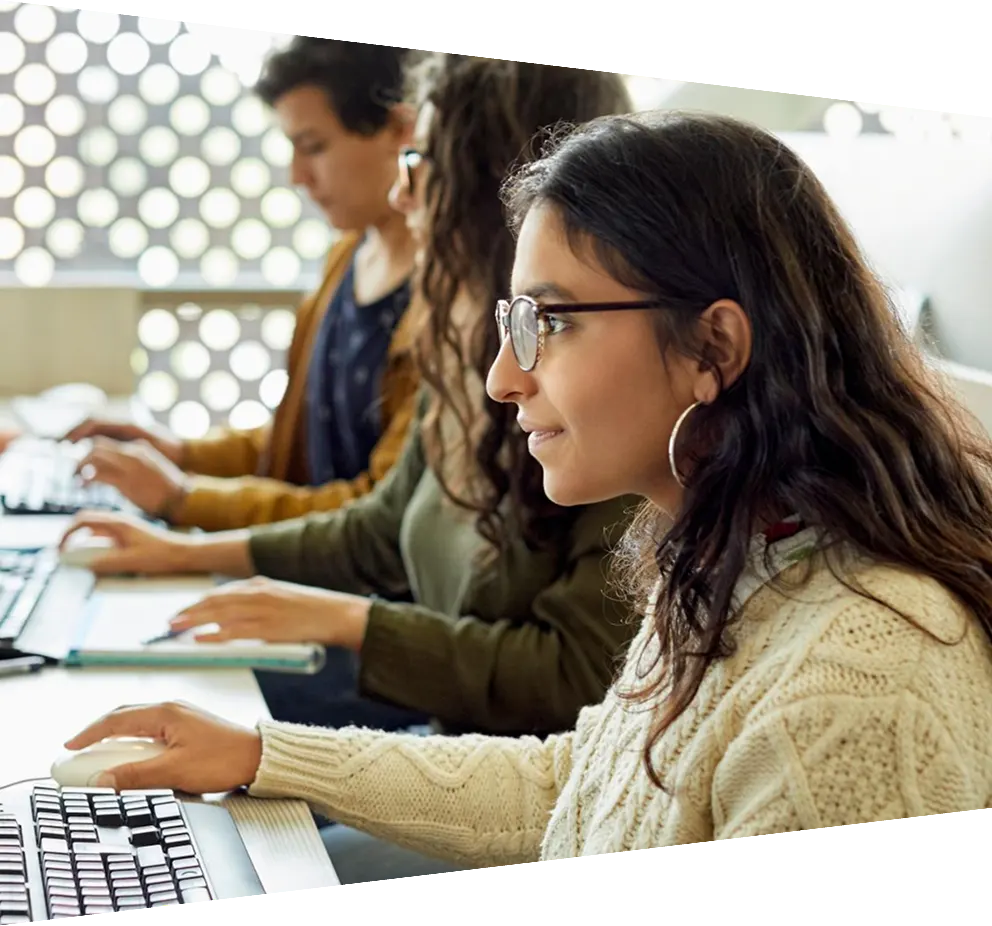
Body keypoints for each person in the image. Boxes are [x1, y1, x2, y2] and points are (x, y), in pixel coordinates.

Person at [64, 110, 992, 884]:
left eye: (550, 322)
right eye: (515, 322)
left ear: (714, 348)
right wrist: (265, 756)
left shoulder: (856, 689)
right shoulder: (733, 556)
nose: (505, 378)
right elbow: (573, 784)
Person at [60, 55, 637, 737]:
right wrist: (183, 540)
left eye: (418, 160)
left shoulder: (608, 396)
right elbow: (375, 521)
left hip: (496, 770)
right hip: (454, 741)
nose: (402, 194)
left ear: (492, 189)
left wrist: (336, 616)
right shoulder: (458, 346)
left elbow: (570, 684)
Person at [57, 38, 423, 532]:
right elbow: (302, 441)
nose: (298, 176)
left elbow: (378, 513)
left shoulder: (444, 298)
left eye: (314, 147)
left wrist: (184, 498)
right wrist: (179, 453)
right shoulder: (348, 257)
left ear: (401, 131)